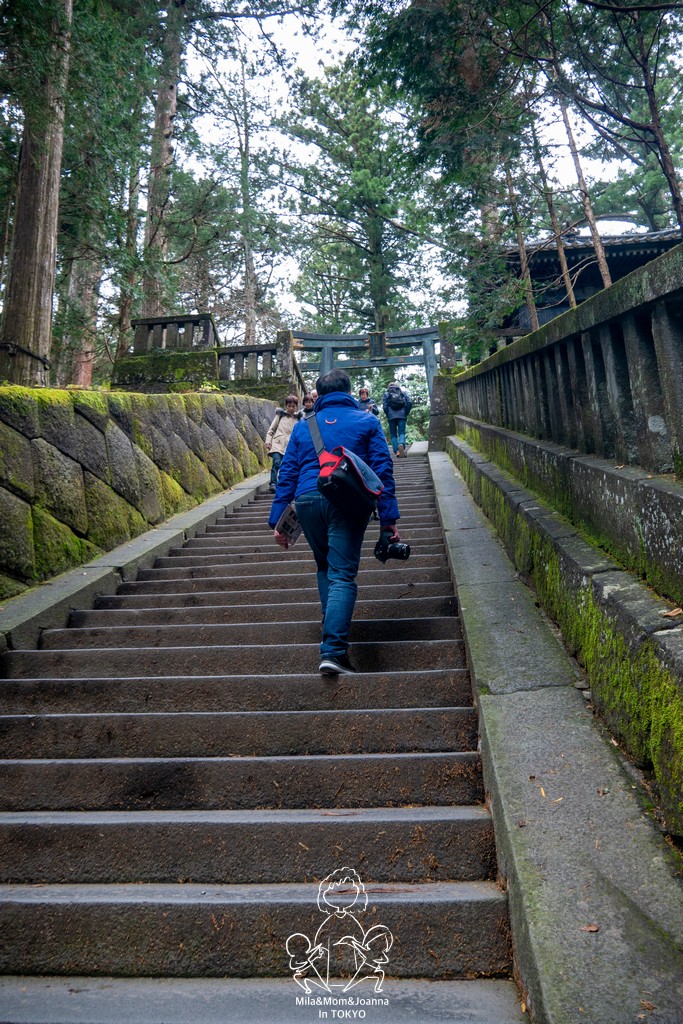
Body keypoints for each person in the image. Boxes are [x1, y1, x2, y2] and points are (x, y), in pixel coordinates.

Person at [268, 369, 401, 675]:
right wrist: (388, 519)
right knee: (342, 574)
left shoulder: (305, 426)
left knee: (325, 567)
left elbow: (287, 472)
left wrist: (278, 519)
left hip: (306, 501)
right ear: (349, 391)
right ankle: (334, 651)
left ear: (320, 395)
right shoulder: (367, 421)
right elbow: (383, 469)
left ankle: (332, 630)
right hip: (347, 501)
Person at [265, 395, 302, 492]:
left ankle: (286, 484)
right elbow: (271, 430)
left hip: (291, 446)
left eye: (293, 406)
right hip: (278, 443)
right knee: (276, 462)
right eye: (289, 406)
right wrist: (268, 441)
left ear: (296, 407)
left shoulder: (298, 418)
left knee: (289, 466)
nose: (291, 408)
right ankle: (273, 483)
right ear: (286, 406)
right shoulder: (280, 416)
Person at [382, 381, 413, 458]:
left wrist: (388, 414)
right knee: (401, 433)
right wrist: (405, 412)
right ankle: (401, 444)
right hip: (402, 415)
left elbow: (385, 406)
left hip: (391, 416)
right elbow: (409, 402)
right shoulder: (402, 392)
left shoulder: (387, 394)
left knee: (393, 435)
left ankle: (397, 451)